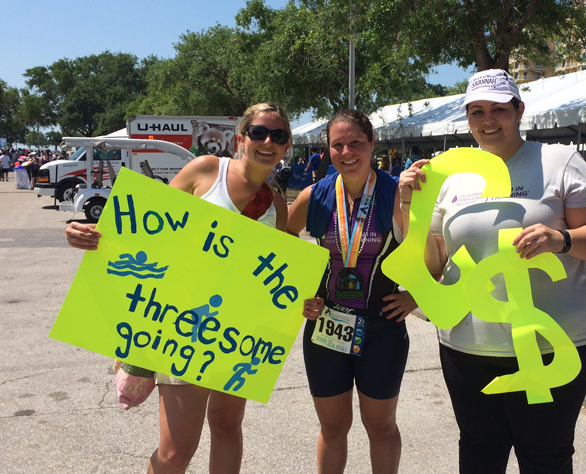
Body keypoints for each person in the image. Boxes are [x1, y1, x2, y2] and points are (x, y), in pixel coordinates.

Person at [403, 69, 586, 473]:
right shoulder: (449, 173)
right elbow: (433, 262)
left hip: (554, 343)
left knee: (546, 456)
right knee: (480, 454)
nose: (488, 120)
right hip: (468, 345)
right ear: (466, 117)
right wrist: (407, 208)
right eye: (477, 111)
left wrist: (562, 239)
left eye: (499, 109)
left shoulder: (557, 160)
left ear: (519, 110)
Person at [65, 103, 291, 474]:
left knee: (227, 426)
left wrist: (304, 299)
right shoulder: (206, 170)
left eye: (278, 136)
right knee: (176, 452)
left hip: (237, 333)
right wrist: (91, 235)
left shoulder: (276, 205)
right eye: (258, 133)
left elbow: (279, 274)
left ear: (286, 148)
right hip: (181, 324)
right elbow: (147, 226)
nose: (268, 141)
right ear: (240, 138)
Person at [287, 109, 417, 474]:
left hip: (382, 325)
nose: (347, 152)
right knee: (332, 427)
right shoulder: (315, 196)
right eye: (337, 145)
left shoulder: (396, 194)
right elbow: (280, 242)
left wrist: (416, 297)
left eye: (355, 143)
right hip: (326, 324)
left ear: (372, 144)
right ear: (328, 150)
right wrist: (303, 292)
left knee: (380, 426)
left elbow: (435, 251)